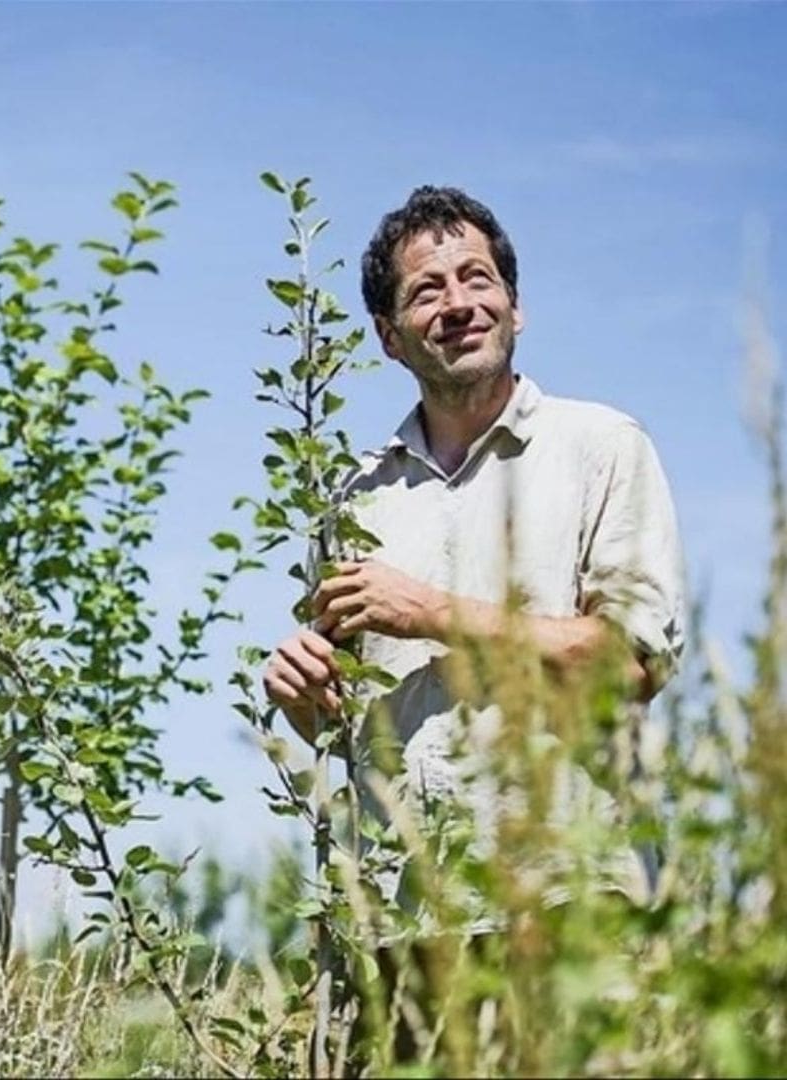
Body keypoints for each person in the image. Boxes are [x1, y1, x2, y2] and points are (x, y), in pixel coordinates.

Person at [262, 182, 685, 879]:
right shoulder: (354, 498)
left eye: (476, 279)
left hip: (571, 902)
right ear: (389, 337)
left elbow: (630, 667)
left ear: (515, 307)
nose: (458, 305)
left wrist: (431, 613)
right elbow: (347, 731)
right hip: (405, 913)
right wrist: (301, 698)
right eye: (426, 291)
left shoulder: (603, 447)